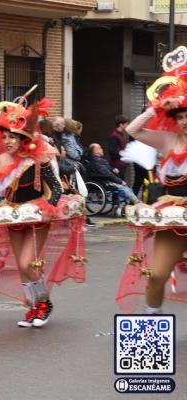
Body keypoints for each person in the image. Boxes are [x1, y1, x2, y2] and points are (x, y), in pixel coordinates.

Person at [0, 97, 86, 328]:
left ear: (22, 137)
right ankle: (33, 307)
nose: (7, 141)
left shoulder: (38, 157)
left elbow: (56, 187)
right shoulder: (3, 159)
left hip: (38, 213)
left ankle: (44, 303)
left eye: (12, 136)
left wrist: (49, 207)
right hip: (13, 214)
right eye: (4, 136)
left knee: (29, 263)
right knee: (21, 266)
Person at [116, 59, 187, 314]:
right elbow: (133, 130)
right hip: (174, 214)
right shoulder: (168, 140)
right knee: (156, 275)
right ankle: (151, 327)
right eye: (180, 117)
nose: (184, 121)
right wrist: (157, 107)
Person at [107, 114, 129, 179]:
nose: (127, 125)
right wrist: (123, 154)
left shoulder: (119, 135)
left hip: (121, 164)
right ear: (121, 124)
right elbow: (112, 151)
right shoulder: (114, 136)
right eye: (126, 123)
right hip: (117, 165)